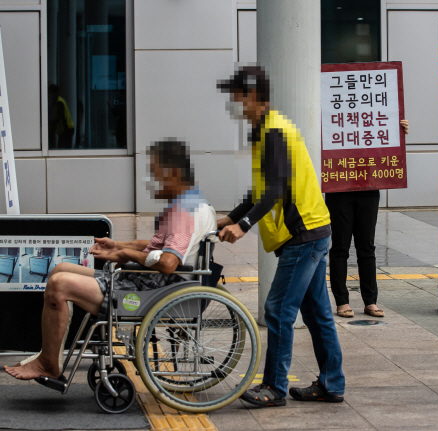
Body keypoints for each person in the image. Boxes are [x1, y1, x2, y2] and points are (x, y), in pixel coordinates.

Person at [4, 139, 216, 380]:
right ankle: (51, 353)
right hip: (148, 281)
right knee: (60, 268)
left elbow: (167, 263)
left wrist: (126, 254)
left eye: (157, 175)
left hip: (148, 288)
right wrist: (119, 245)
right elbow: (157, 247)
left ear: (174, 173)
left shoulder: (183, 213)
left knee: (59, 284)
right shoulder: (195, 204)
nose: (153, 182)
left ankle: (49, 363)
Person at [217, 66, 344, 407]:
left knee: (277, 309)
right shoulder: (267, 130)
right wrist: (230, 216)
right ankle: (332, 384)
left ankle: (273, 387)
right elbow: (260, 188)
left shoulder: (274, 130)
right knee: (317, 314)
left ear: (253, 96)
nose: (236, 106)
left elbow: (275, 188)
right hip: (312, 231)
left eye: (238, 98)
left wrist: (242, 227)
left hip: (303, 234)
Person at [327, 119, 409, 319]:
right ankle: (342, 301)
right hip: (339, 185)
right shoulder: (334, 113)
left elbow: (384, 139)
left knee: (367, 247)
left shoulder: (372, 116)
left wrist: (397, 130)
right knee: (340, 246)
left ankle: (370, 301)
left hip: (369, 183)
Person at [48, 83, 75, 149]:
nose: (50, 95)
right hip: (65, 130)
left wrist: (52, 125)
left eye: (51, 93)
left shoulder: (59, 102)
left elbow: (60, 117)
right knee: (63, 147)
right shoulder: (57, 101)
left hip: (66, 129)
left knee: (63, 147)